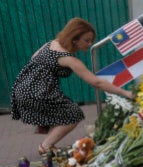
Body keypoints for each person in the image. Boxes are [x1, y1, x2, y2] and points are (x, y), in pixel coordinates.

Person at [10, 17, 134, 155]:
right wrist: (126, 93)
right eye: (86, 40)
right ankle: (45, 147)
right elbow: (96, 82)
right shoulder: (68, 58)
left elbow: (34, 58)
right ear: (74, 39)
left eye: (91, 40)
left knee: (63, 111)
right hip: (38, 93)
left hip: (21, 88)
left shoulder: (51, 44)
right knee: (73, 114)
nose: (90, 44)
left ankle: (49, 145)